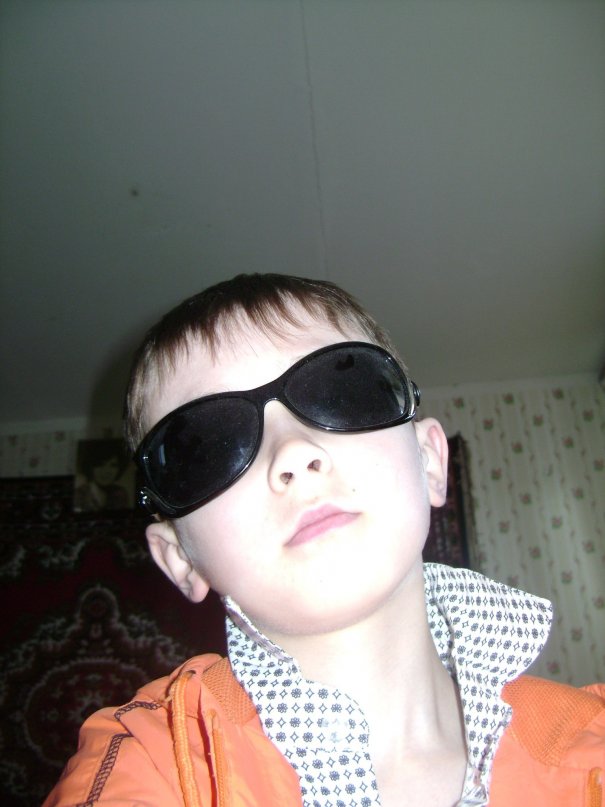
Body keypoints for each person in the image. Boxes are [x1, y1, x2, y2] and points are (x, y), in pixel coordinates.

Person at [45, 273, 604, 806]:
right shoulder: (148, 760)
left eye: (342, 390)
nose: (293, 453)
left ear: (430, 461)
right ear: (179, 559)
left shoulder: (593, 743)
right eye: (207, 446)